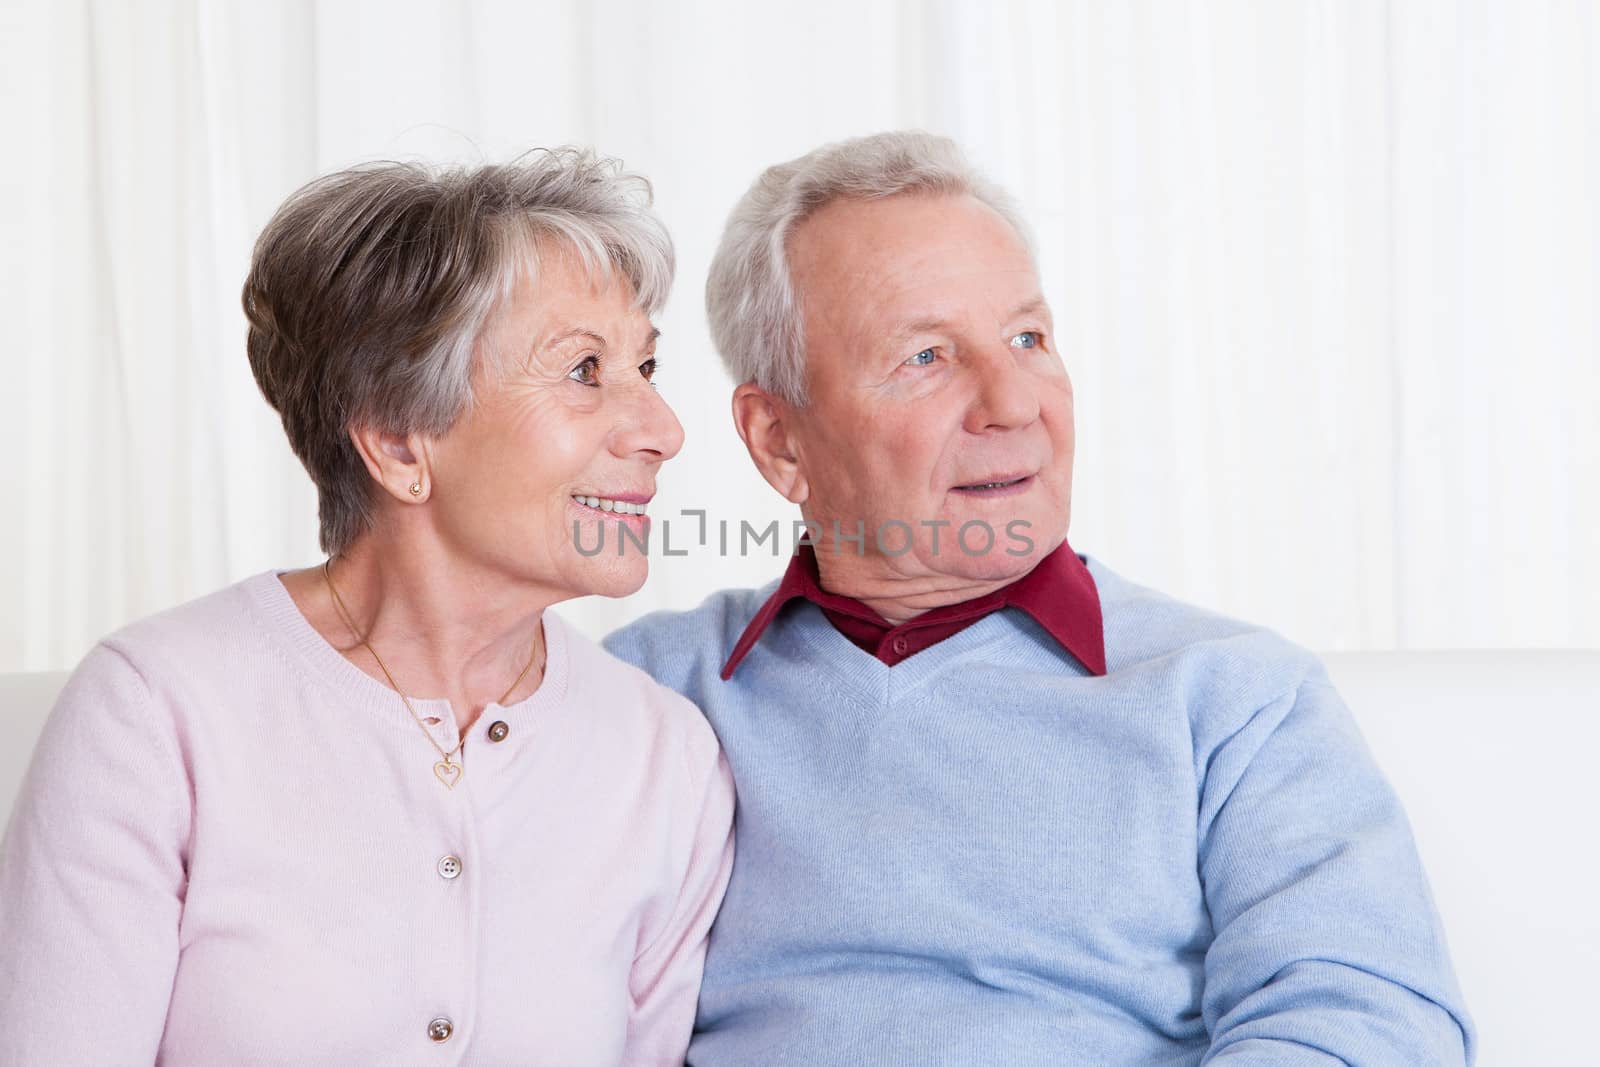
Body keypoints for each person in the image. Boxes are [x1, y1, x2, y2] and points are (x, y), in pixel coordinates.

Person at [605, 131, 1474, 1064]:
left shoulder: (1233, 698)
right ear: (779, 439)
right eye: (927, 356)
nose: (1015, 403)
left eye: (1028, 338)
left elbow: (1367, 1025)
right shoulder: (649, 692)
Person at [0, 149, 734, 1064]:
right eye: (584, 369)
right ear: (396, 441)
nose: (662, 430)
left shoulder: (665, 760)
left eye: (647, 365)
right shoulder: (156, 712)